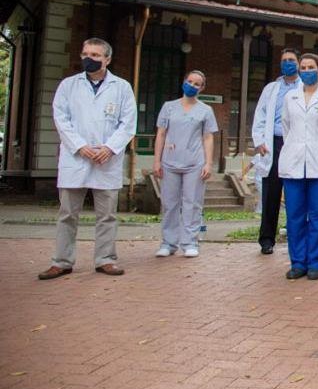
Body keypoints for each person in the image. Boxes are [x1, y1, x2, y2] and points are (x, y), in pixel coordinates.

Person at [39, 38, 137, 279]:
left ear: (107, 59)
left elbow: (128, 124)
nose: (88, 59)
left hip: (107, 160)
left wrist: (110, 148)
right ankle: (61, 261)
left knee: (107, 215)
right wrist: (81, 147)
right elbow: (61, 119)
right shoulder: (68, 86)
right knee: (67, 214)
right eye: (85, 53)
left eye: (95, 55)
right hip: (76, 159)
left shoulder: (122, 87)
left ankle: (105, 259)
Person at [278, 53, 318, 280]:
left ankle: (315, 263)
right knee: (294, 216)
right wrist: (298, 147)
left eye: (311, 67)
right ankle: (298, 263)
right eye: (303, 67)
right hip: (293, 163)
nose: (306, 71)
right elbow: (287, 128)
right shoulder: (290, 98)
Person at [152, 70, 218, 258]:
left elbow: (208, 137)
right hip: (170, 161)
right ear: (183, 82)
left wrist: (208, 163)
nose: (192, 86)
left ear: (202, 88)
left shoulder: (205, 110)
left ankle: (190, 242)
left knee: (192, 203)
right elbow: (161, 134)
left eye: (197, 84)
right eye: (189, 81)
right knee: (169, 203)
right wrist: (157, 160)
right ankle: (168, 242)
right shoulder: (169, 107)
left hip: (194, 163)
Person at [252, 48, 301, 254]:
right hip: (272, 144)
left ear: (298, 63)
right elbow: (260, 115)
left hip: (295, 144)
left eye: (291, 60)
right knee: (271, 193)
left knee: (294, 194)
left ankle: (295, 237)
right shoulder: (271, 88)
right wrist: (259, 140)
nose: (287, 63)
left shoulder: (305, 87)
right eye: (284, 60)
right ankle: (266, 239)